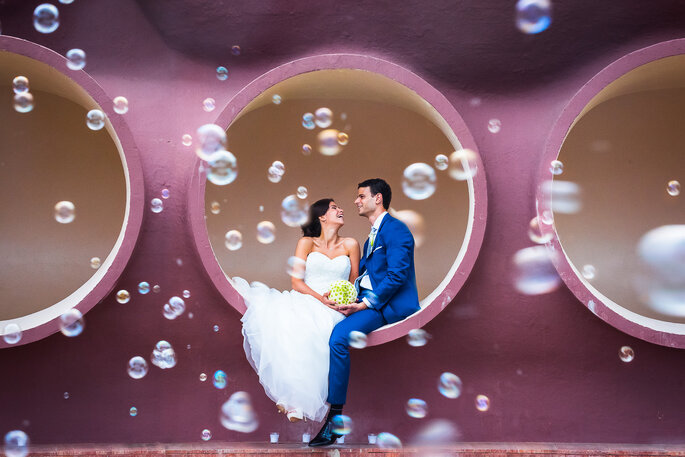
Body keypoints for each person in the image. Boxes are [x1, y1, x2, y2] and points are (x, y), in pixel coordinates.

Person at [309, 178, 421, 447]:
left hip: (386, 306)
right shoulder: (373, 234)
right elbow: (370, 276)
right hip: (369, 301)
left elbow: (396, 276)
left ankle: (334, 421)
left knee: (337, 338)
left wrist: (365, 304)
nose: (357, 201)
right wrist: (347, 296)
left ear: (378, 198)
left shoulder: (396, 230)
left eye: (361, 196)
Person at [232, 198, 361, 422]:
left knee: (319, 329)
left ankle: (294, 400)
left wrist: (345, 301)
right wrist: (320, 298)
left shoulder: (351, 244)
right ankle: (293, 399)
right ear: (322, 216)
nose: (341, 210)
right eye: (334, 208)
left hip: (336, 306)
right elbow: (297, 283)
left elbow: (354, 281)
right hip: (309, 298)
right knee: (296, 324)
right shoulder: (307, 243)